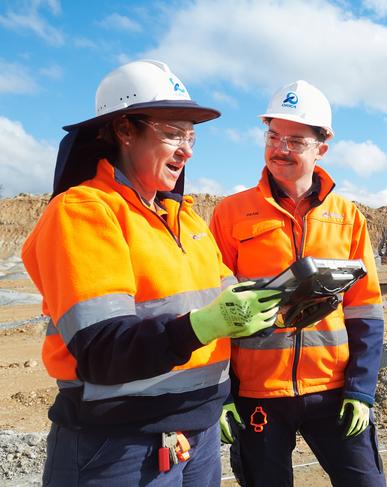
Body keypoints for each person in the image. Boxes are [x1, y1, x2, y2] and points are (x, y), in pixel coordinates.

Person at [21, 59, 281, 486]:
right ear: (125, 130)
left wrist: (281, 300)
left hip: (197, 436)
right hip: (119, 447)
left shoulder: (187, 219)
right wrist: (205, 325)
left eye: (192, 136)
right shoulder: (84, 211)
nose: (188, 150)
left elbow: (227, 303)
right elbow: (101, 348)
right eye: (173, 133)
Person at [209, 80, 386, 486]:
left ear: (321, 147)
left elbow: (366, 310)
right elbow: (214, 310)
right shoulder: (232, 214)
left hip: (334, 390)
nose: (280, 148)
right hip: (259, 394)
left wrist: (360, 389)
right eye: (273, 136)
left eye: (295, 140)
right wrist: (222, 395)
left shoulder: (347, 217)